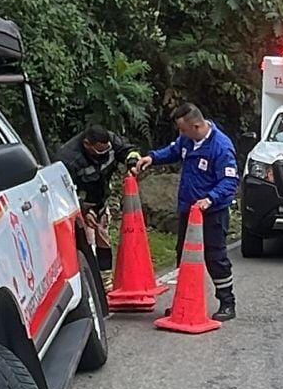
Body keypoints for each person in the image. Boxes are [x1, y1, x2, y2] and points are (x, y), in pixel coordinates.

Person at [133, 103, 238, 321]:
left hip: (212, 213)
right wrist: (152, 158)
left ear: (197, 126)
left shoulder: (221, 147)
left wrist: (210, 199)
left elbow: (229, 181)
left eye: (183, 130)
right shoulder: (187, 140)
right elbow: (172, 151)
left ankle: (227, 302)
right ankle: (185, 301)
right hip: (188, 212)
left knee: (215, 258)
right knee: (184, 257)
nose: (180, 134)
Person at [55, 125, 140, 268]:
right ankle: (91, 279)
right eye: (100, 151)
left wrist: (132, 162)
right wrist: (84, 211)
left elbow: (128, 150)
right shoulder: (68, 159)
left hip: (101, 197)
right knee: (86, 242)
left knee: (103, 236)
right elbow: (63, 191)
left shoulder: (111, 140)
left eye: (107, 150)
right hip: (78, 203)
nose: (104, 154)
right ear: (87, 144)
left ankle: (106, 280)